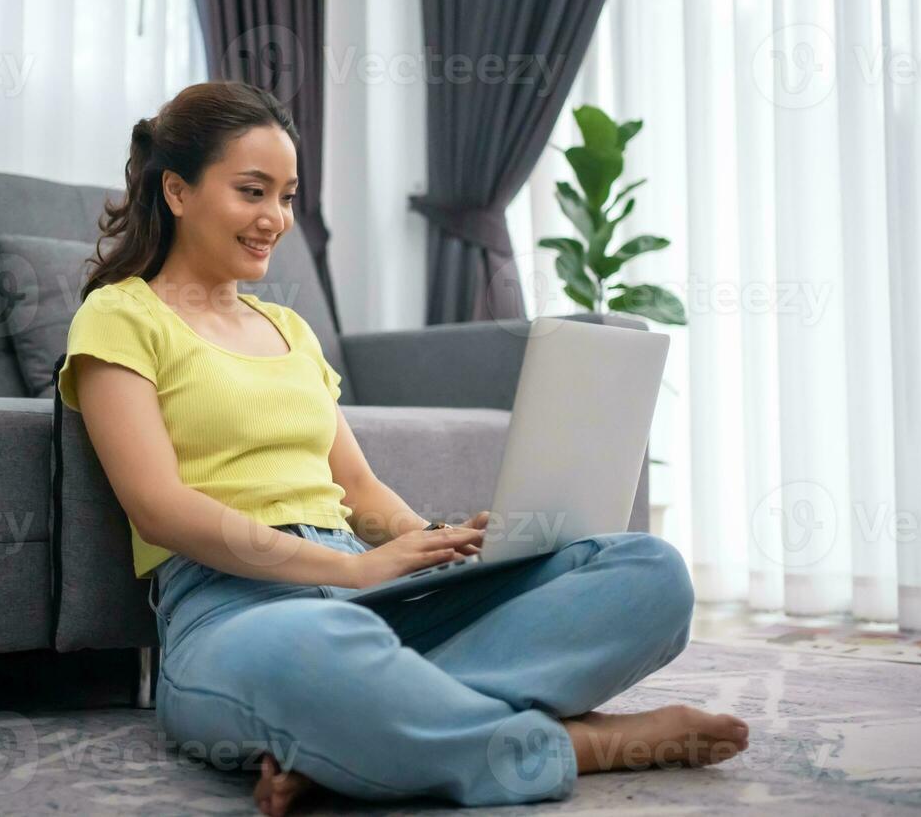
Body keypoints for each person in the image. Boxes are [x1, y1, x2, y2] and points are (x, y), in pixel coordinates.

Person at [57, 80, 749, 814]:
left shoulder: (289, 331)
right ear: (177, 190)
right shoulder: (118, 317)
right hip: (239, 616)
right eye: (253, 192)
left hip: (376, 602)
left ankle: (364, 738)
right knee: (318, 657)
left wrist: (438, 542)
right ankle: (583, 743)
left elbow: (356, 492)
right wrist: (344, 575)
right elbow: (160, 509)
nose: (275, 219)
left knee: (648, 570)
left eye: (288, 197)